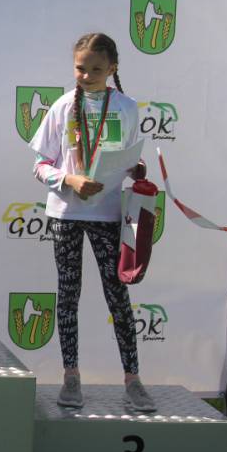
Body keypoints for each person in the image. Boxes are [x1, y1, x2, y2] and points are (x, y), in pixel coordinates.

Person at [29, 32, 156, 412]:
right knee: (68, 296)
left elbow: (130, 158)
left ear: (112, 68)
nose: (86, 76)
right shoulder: (61, 107)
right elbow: (40, 165)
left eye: (96, 70)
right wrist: (69, 180)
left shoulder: (127, 107)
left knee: (118, 296)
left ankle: (133, 380)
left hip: (107, 213)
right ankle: (71, 376)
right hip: (67, 214)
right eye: (80, 68)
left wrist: (137, 169)